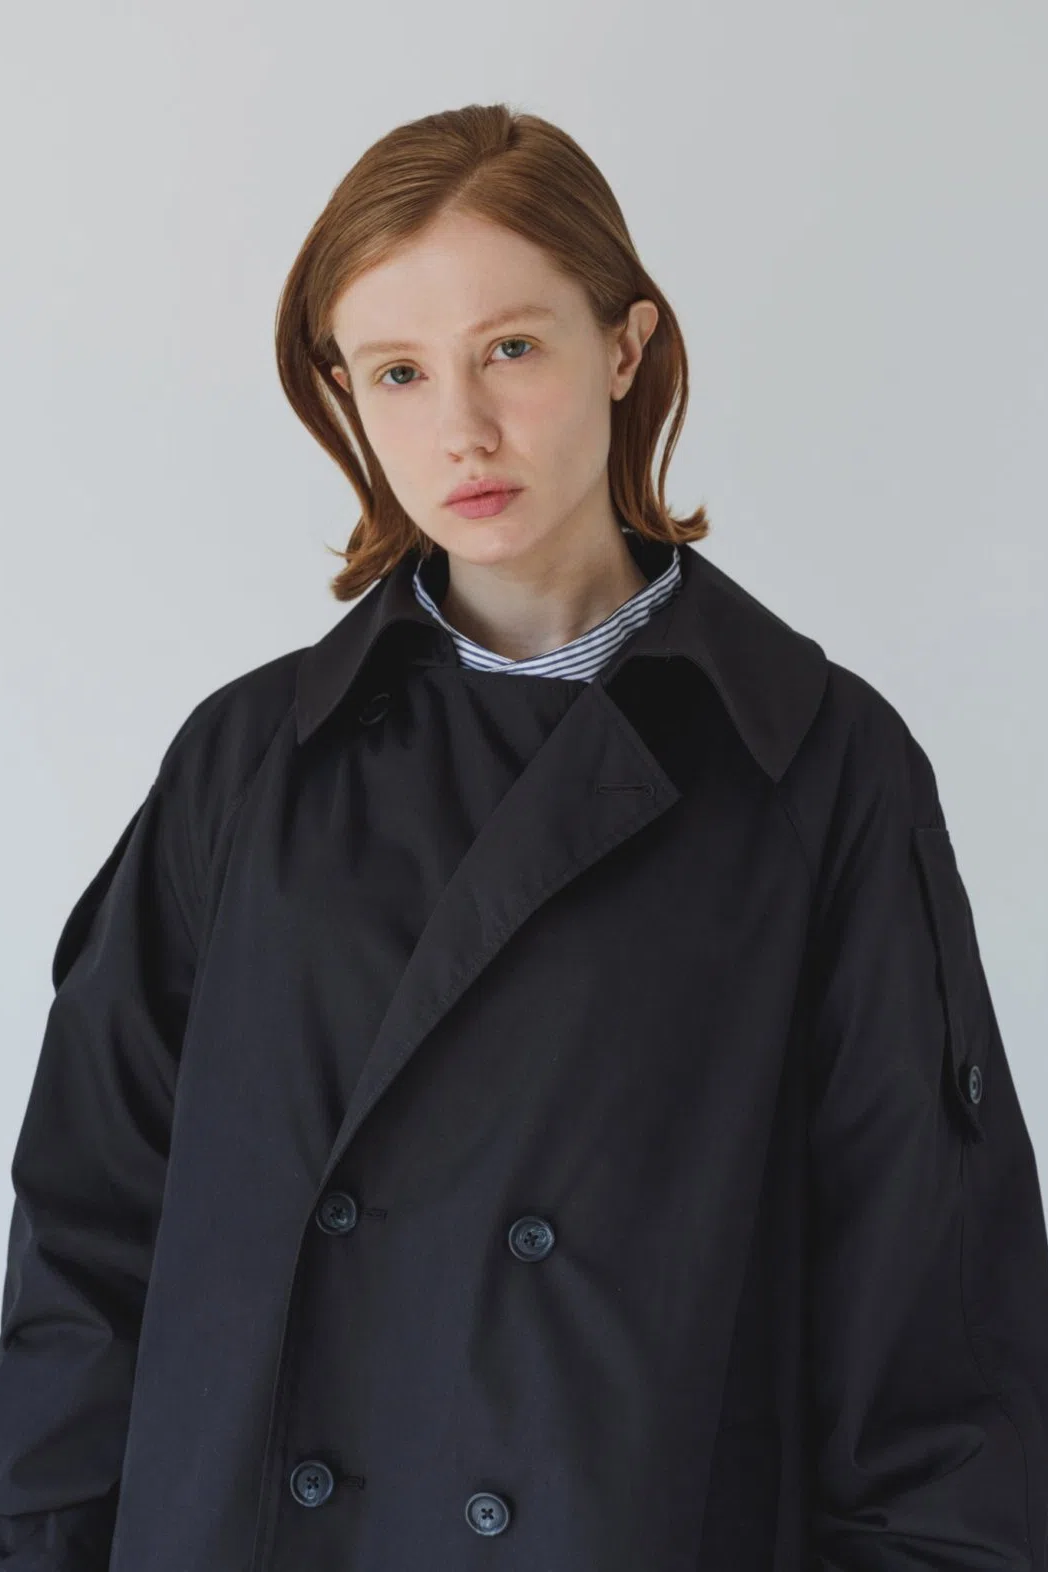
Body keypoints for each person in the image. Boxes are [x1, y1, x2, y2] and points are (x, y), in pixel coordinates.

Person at [2, 101, 1046, 1572]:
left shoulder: (817, 765)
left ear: (624, 345)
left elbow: (935, 1330)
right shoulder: (247, 764)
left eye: (510, 348)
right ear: (345, 394)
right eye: (400, 371)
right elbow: (83, 1254)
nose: (463, 430)